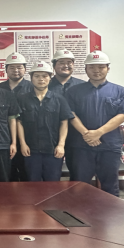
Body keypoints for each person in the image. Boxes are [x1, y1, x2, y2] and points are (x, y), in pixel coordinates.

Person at [66, 51, 124, 197]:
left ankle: (110, 212)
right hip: (81, 145)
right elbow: (71, 114)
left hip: (109, 146)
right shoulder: (73, 91)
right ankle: (78, 211)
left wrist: (98, 133)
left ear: (108, 68)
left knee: (110, 184)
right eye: (92, 67)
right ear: (85, 69)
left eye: (101, 67)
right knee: (78, 185)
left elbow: (122, 116)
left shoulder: (120, 91)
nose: (96, 70)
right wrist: (86, 134)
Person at [17, 61, 74, 182]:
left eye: (44, 76)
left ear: (50, 78)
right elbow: (19, 122)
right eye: (37, 76)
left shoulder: (59, 99)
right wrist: (23, 144)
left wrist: (61, 145)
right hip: (30, 150)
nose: (41, 79)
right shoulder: (22, 99)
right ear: (31, 78)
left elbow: (64, 122)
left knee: (53, 185)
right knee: (32, 184)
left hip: (53, 150)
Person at [49, 49, 85, 180]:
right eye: (61, 62)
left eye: (69, 62)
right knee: (51, 175)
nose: (66, 65)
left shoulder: (83, 86)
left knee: (78, 173)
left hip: (77, 137)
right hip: (52, 136)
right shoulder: (45, 85)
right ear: (54, 66)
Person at [0, 52, 32, 182]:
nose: (16, 70)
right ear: (6, 70)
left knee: (27, 173)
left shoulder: (32, 87)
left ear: (25, 69)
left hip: (28, 138)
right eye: (12, 67)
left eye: (19, 67)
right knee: (7, 174)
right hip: (4, 138)